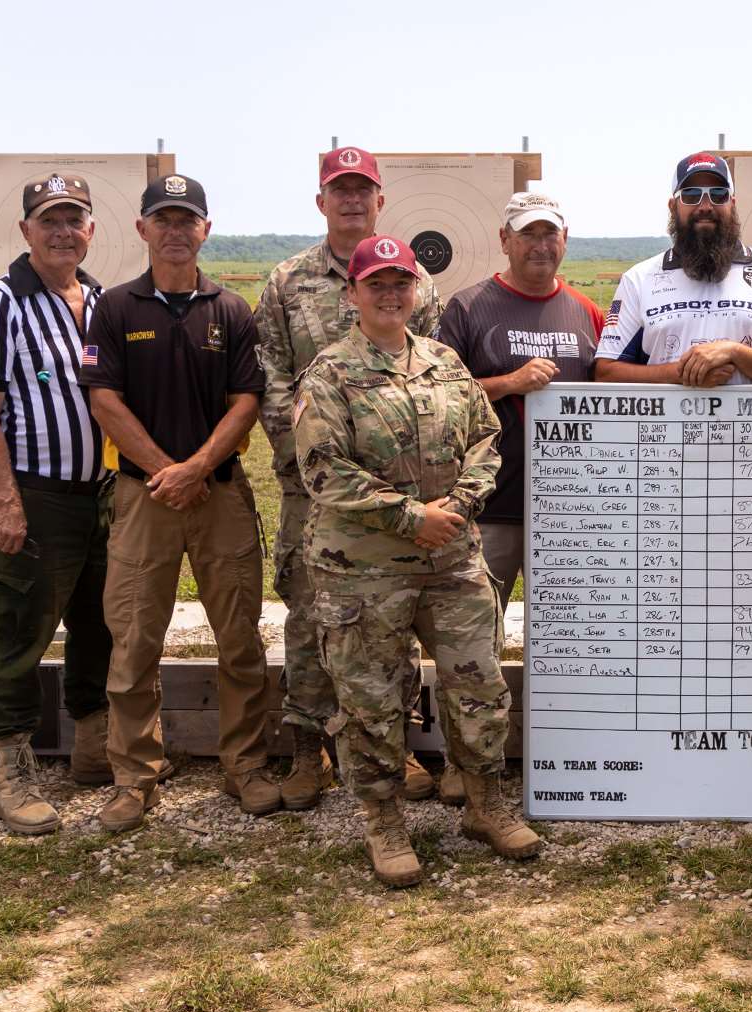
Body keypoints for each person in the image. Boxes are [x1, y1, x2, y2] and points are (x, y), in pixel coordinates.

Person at [293, 235, 537, 887]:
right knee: (371, 697)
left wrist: (457, 503)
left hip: (452, 558)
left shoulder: (444, 363)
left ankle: (485, 805)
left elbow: (487, 435)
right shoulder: (330, 373)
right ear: (353, 294)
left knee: (479, 683)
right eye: (377, 283)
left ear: (416, 291)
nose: (391, 294)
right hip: (365, 566)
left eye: (401, 282)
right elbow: (322, 468)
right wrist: (410, 517)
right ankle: (385, 822)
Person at [80, 174, 275, 831]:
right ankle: (135, 776)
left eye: (186, 219)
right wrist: (167, 471)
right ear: (141, 230)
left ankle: (244, 766)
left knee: (240, 639)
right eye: (161, 218)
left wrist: (196, 468)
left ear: (205, 230)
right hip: (144, 497)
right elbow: (103, 397)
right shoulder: (114, 310)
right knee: (134, 639)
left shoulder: (232, 310)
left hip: (219, 495)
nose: (174, 230)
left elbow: (246, 401)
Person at [255, 146, 443, 811]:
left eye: (364, 190)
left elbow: (430, 380)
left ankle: (392, 749)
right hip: (315, 495)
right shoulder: (287, 282)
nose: (352, 200)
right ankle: (310, 752)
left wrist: (399, 483)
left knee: (392, 620)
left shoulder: (416, 280)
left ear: (380, 200)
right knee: (311, 616)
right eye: (341, 189)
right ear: (321, 200)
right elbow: (273, 383)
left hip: (394, 498)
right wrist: (313, 464)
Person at [0, 173, 126, 833]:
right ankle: (11, 765)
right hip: (36, 493)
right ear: (26, 230)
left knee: (101, 623)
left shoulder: (99, 299)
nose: (63, 232)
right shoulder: (1, 301)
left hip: (104, 494)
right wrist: (4, 501)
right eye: (49, 220)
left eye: (74, 220)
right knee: (22, 631)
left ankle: (93, 748)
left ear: (91, 230)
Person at [433, 192, 603, 609]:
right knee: (477, 630)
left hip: (572, 508)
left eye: (550, 233)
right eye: (528, 234)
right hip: (491, 504)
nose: (540, 245)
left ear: (565, 238)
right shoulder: (468, 307)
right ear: (504, 239)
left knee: (574, 630)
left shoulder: (587, 312)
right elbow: (437, 395)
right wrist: (510, 382)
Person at [594, 152, 752, 386]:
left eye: (718, 195)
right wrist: (681, 372)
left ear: (733, 204)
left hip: (749, 423)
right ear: (672, 206)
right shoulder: (638, 280)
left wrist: (736, 353)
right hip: (667, 423)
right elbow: (605, 373)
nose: (705, 206)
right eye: (691, 195)